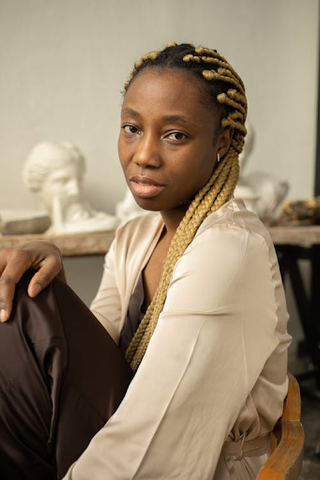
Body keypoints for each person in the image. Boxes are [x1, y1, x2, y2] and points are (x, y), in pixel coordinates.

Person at [0, 42, 291, 479]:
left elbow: (162, 433)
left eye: (175, 135)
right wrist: (54, 278)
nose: (144, 155)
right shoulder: (135, 235)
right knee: (20, 288)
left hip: (195, 461)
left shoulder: (231, 249)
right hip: (123, 430)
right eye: (132, 128)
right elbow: (89, 354)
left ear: (222, 142)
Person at [23, 141, 119, 234]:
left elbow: (112, 223)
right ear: (37, 184)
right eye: (63, 181)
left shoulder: (94, 219)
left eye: (79, 180)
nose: (76, 191)